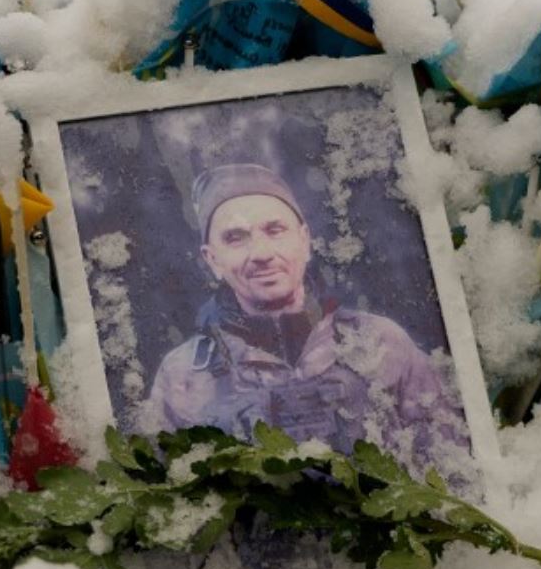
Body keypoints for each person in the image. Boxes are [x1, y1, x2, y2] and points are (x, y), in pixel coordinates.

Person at [145, 163, 467, 463]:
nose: (261, 254)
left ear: (305, 240)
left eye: (275, 230)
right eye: (235, 238)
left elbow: (453, 468)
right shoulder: (183, 375)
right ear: (212, 259)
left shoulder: (381, 342)